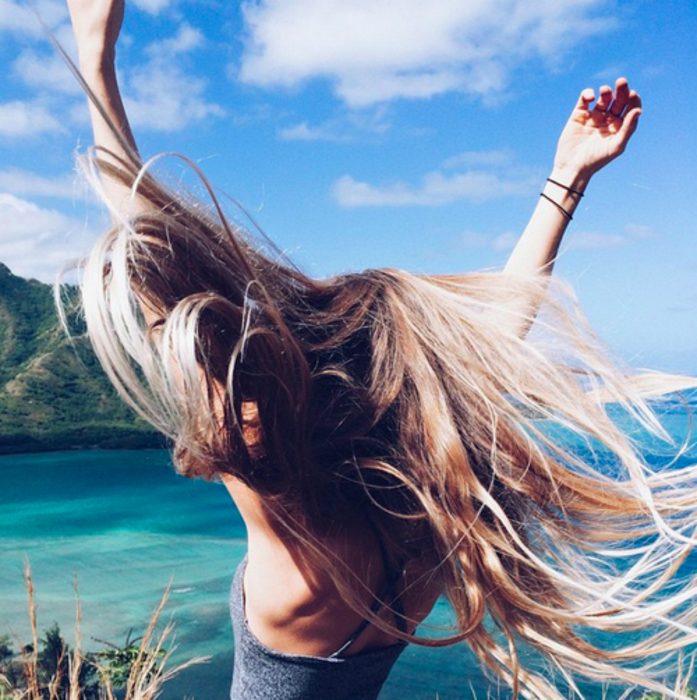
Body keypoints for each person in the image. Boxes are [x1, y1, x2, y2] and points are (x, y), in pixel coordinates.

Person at [62, 1, 697, 698]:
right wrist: (566, 179)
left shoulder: (294, 531)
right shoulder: (418, 528)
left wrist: (97, 58)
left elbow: (157, 266)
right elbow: (488, 342)